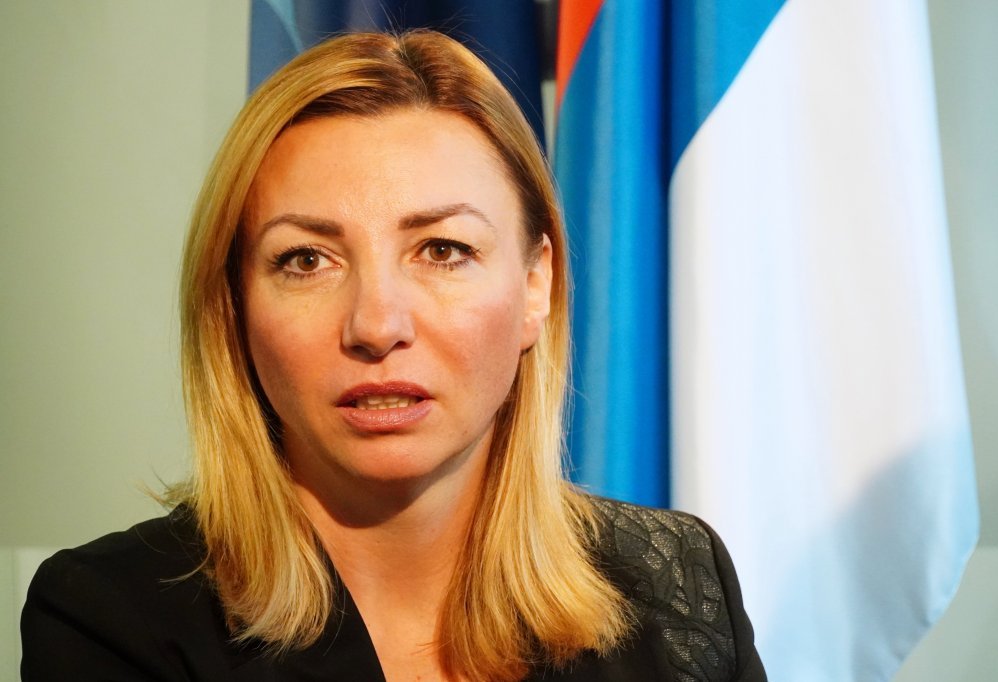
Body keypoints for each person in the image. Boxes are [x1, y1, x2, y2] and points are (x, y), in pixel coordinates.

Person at [21, 30, 767, 682]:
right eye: (306, 260)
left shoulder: (679, 589)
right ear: (234, 307)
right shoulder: (108, 617)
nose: (376, 325)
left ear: (534, 285)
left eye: (442, 250)